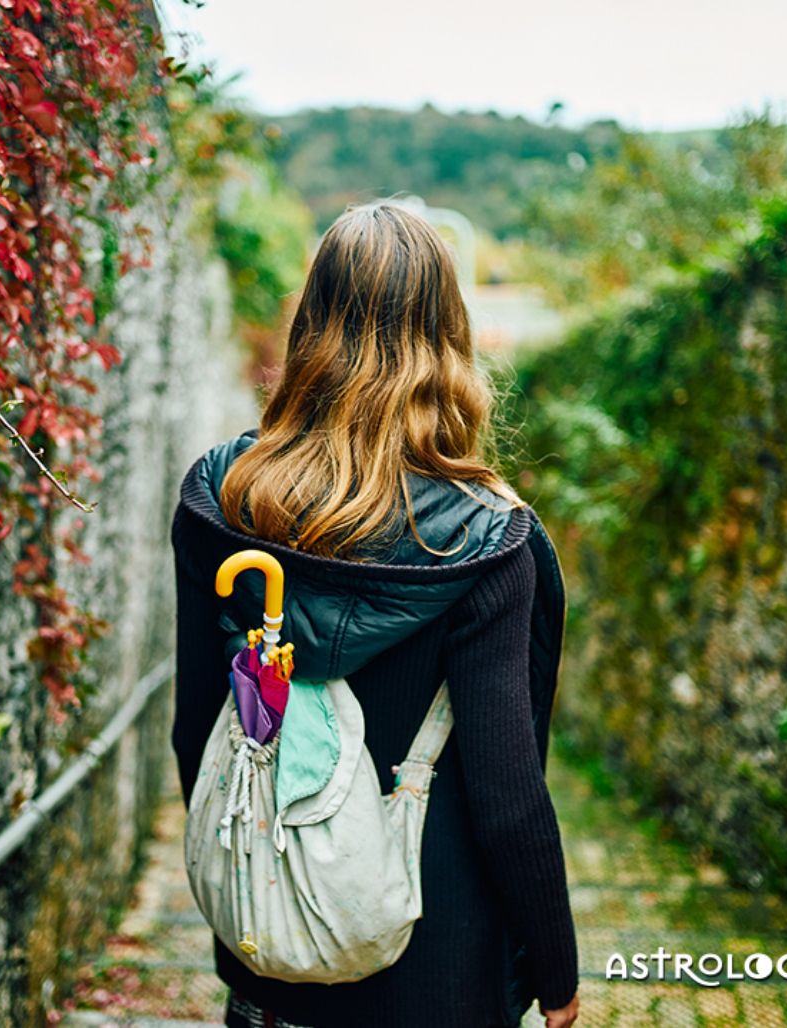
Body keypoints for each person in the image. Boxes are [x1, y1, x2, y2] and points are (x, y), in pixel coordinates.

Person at [170, 200, 581, 1028]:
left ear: (312, 326)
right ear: (446, 335)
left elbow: (196, 727)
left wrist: (261, 880)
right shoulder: (489, 540)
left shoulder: (221, 497)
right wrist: (556, 967)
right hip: (441, 971)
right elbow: (508, 793)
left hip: (274, 954)